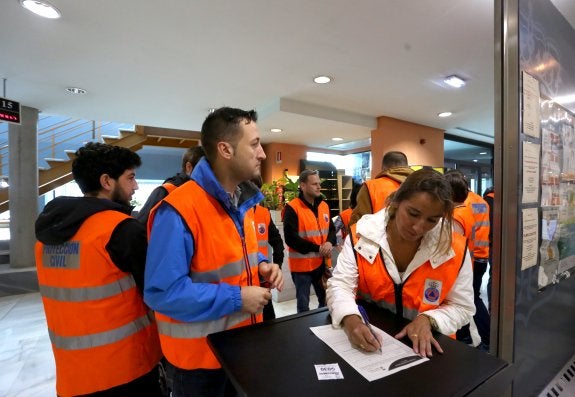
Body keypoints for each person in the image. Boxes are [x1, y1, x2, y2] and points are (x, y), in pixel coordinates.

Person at [144, 107, 284, 397]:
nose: (262, 154)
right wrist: (237, 297)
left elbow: (231, 254)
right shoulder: (178, 210)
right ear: (225, 149)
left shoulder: (241, 201)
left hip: (239, 348)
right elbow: (163, 293)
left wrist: (260, 266)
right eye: (255, 144)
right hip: (199, 365)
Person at [34, 142, 163, 397]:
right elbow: (159, 293)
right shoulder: (121, 231)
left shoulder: (46, 238)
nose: (135, 186)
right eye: (130, 177)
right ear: (107, 181)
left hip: (72, 377)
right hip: (126, 372)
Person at [327, 169, 475, 358]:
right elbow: (340, 284)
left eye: (432, 220)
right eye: (413, 214)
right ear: (396, 203)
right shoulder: (361, 235)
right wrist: (350, 318)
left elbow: (462, 307)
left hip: (428, 352)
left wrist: (429, 319)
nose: (419, 227)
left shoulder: (454, 248)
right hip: (372, 345)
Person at [283, 169, 337, 313]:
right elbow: (291, 239)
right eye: (314, 184)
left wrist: (330, 242)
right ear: (303, 185)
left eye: (319, 183)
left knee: (325, 301)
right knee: (303, 305)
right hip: (301, 268)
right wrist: (317, 248)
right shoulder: (292, 208)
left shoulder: (324, 206)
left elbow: (331, 230)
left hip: (321, 264)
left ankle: (322, 328)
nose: (319, 187)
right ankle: (304, 332)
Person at [136, 145, 205, 223]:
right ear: (189, 167)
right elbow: (140, 226)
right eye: (205, 170)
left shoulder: (206, 194)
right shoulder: (166, 191)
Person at [252, 176, 285, 321]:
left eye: (255, 189)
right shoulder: (232, 215)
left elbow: (277, 243)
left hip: (262, 278)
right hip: (242, 281)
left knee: (268, 320)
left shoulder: (263, 213)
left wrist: (276, 268)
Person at [349, 151, 413, 226]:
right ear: (407, 166)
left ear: (383, 168)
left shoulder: (371, 186)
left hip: (376, 236)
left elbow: (358, 221)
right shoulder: (420, 186)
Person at [464, 179, 491, 350]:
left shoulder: (464, 203)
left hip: (471, 258)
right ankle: (486, 336)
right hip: (483, 255)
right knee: (474, 296)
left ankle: (485, 337)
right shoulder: (480, 201)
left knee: (470, 298)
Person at [483, 186, 494, 309]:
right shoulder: (503, 202)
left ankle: (492, 307)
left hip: (489, 245)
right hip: (499, 244)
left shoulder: (485, 202)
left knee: (493, 276)